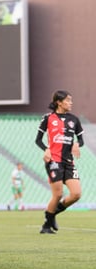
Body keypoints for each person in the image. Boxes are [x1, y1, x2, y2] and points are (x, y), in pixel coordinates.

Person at [35, 90, 84, 234]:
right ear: (59, 102)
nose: (71, 103)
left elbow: (81, 140)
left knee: (76, 194)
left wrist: (77, 144)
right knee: (58, 194)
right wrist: (46, 149)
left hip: (68, 162)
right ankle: (46, 226)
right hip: (53, 160)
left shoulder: (74, 119)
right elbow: (38, 140)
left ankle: (51, 214)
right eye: (68, 100)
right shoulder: (48, 118)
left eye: (71, 100)